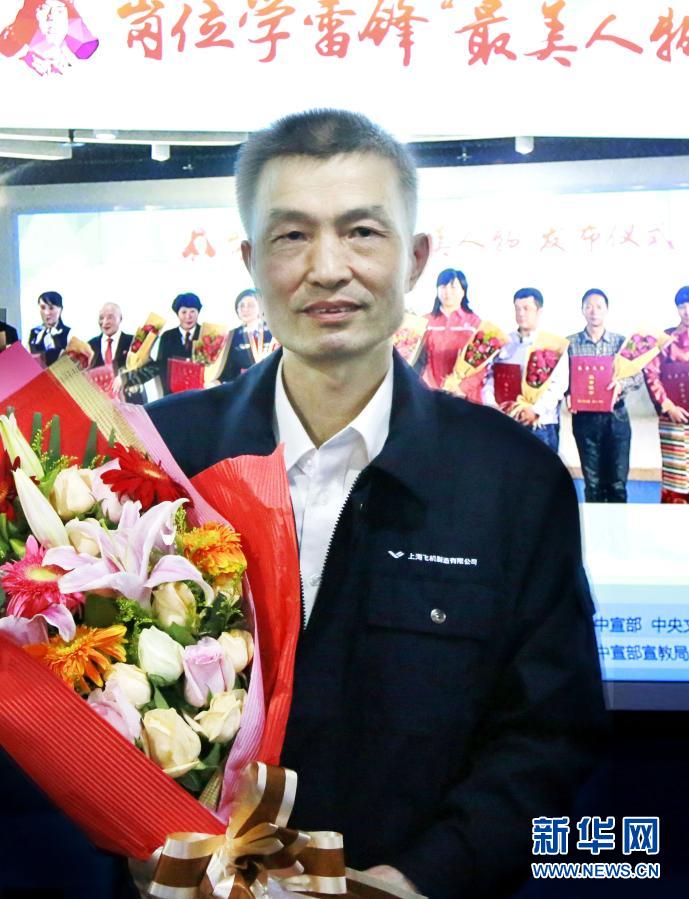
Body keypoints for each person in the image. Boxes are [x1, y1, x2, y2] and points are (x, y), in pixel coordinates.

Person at [147, 109, 606, 898]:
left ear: (414, 256)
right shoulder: (164, 455)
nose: (327, 268)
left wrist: (419, 877)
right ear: (251, 261)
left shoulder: (511, 480)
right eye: (292, 236)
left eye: (361, 232)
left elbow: (548, 735)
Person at [567, 289, 642, 503]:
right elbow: (561, 378)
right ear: (582, 310)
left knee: (617, 483)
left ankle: (618, 525)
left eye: (599, 306)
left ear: (607, 310)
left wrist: (620, 384)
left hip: (615, 417)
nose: (594, 311)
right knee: (593, 484)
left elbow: (637, 376)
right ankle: (595, 525)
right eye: (589, 306)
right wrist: (568, 394)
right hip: (584, 418)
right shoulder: (569, 344)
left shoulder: (620, 343)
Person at [483, 287, 568, 452]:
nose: (521, 313)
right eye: (517, 308)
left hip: (540, 424)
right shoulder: (504, 342)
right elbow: (490, 377)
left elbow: (559, 385)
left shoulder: (552, 345)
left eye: (526, 309)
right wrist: (491, 405)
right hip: (506, 422)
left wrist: (535, 411)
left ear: (539, 312)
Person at [643, 286, 689, 503]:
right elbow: (651, 374)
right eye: (682, 306)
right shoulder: (665, 339)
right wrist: (668, 406)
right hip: (673, 419)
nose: (687, 311)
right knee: (676, 478)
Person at [417, 268, 483, 401]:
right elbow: (417, 359)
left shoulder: (475, 323)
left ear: (463, 291)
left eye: (453, 287)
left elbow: (482, 364)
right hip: (431, 393)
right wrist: (429, 386)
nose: (447, 292)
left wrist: (461, 388)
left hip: (466, 396)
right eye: (443, 287)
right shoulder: (424, 322)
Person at [0, 0, 99, 77]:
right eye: (44, 9)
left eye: (58, 11)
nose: (51, 17)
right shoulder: (18, 67)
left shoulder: (81, 64)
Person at [87, 302, 154, 404]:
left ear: (120, 318)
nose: (105, 322)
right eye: (101, 318)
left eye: (110, 317)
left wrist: (126, 378)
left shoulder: (134, 341)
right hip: (100, 405)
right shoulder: (90, 345)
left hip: (132, 403)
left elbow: (151, 368)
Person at [219, 288, 276, 383]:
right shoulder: (232, 336)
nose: (245, 309)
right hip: (244, 385)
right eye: (241, 306)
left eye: (251, 305)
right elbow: (228, 370)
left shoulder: (273, 331)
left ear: (260, 307)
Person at [156, 292, 202, 395]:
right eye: (184, 312)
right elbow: (162, 367)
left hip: (201, 393)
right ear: (177, 314)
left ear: (198, 312)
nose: (188, 316)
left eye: (192, 311)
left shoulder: (206, 335)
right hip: (173, 394)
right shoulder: (167, 336)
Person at [27, 290, 70, 365]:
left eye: (51, 308)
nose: (46, 313)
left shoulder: (69, 333)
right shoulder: (35, 333)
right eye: (43, 308)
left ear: (61, 309)